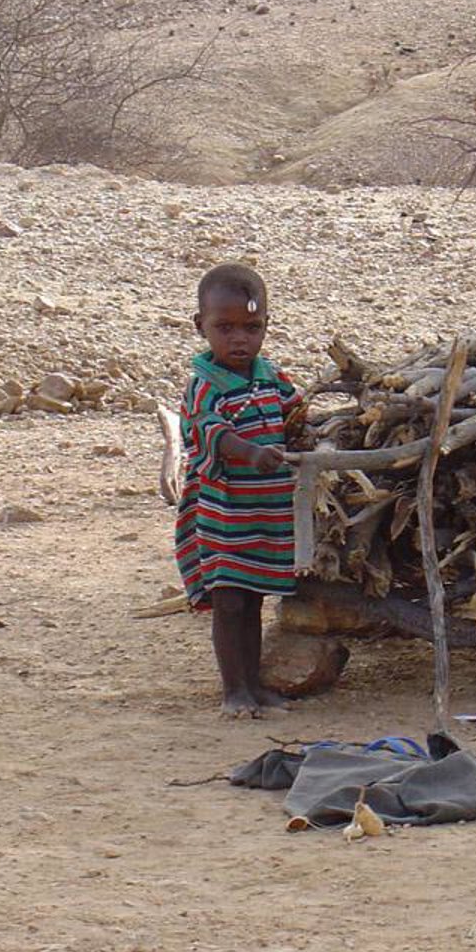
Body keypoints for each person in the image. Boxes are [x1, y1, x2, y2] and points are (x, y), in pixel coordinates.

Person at [174, 263, 308, 715]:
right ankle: (234, 691)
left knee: (253, 601)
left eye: (252, 328)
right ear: (201, 326)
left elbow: (297, 417)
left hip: (266, 512)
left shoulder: (271, 378)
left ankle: (254, 685)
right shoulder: (204, 385)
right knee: (229, 600)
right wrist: (251, 453)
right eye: (225, 328)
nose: (239, 340)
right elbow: (209, 432)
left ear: (267, 325)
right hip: (225, 515)